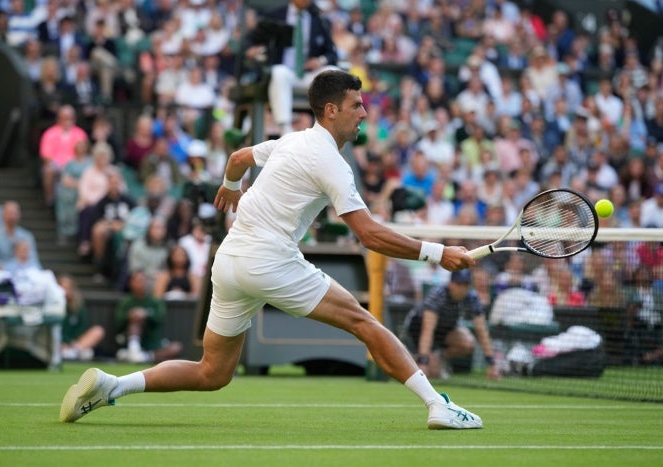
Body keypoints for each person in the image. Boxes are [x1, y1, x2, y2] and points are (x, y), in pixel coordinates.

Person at [59, 70, 482, 430]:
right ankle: (438, 405)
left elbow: (240, 157)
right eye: (356, 105)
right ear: (331, 110)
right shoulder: (330, 161)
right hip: (270, 261)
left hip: (229, 262)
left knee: (213, 372)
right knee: (365, 322)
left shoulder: (290, 141)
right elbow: (369, 236)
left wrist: (228, 189)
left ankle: (114, 386)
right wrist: (437, 253)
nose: (364, 114)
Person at [247, 0, 338, 135]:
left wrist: (320, 60)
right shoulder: (275, 14)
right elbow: (250, 40)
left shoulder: (318, 18)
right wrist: (252, 49)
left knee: (333, 72)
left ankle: (329, 128)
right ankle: (285, 129)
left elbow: (332, 53)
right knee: (279, 72)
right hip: (285, 73)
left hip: (309, 76)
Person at [403, 269, 502, 381]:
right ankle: (416, 358)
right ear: (451, 283)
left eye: (465, 285)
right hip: (417, 332)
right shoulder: (437, 295)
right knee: (430, 374)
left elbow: (482, 331)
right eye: (459, 284)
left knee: (467, 343)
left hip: (444, 332)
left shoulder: (471, 298)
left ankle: (439, 357)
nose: (462, 289)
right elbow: (427, 330)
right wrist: (423, 361)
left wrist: (492, 364)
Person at [114, 269, 183, 363]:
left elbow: (159, 318)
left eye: (142, 280)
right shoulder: (125, 302)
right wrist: (130, 316)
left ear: (146, 282)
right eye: (137, 281)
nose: (140, 284)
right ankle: (134, 350)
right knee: (135, 320)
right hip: (129, 341)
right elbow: (118, 322)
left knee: (176, 348)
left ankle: (142, 357)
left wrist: (146, 314)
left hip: (153, 344)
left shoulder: (155, 301)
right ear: (130, 283)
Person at [59, 274, 105, 362]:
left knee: (98, 330)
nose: (66, 291)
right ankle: (70, 352)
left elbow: (82, 329)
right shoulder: (54, 307)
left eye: (68, 288)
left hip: (75, 344)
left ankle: (73, 352)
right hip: (59, 344)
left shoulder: (79, 308)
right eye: (63, 288)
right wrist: (63, 342)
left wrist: (72, 343)